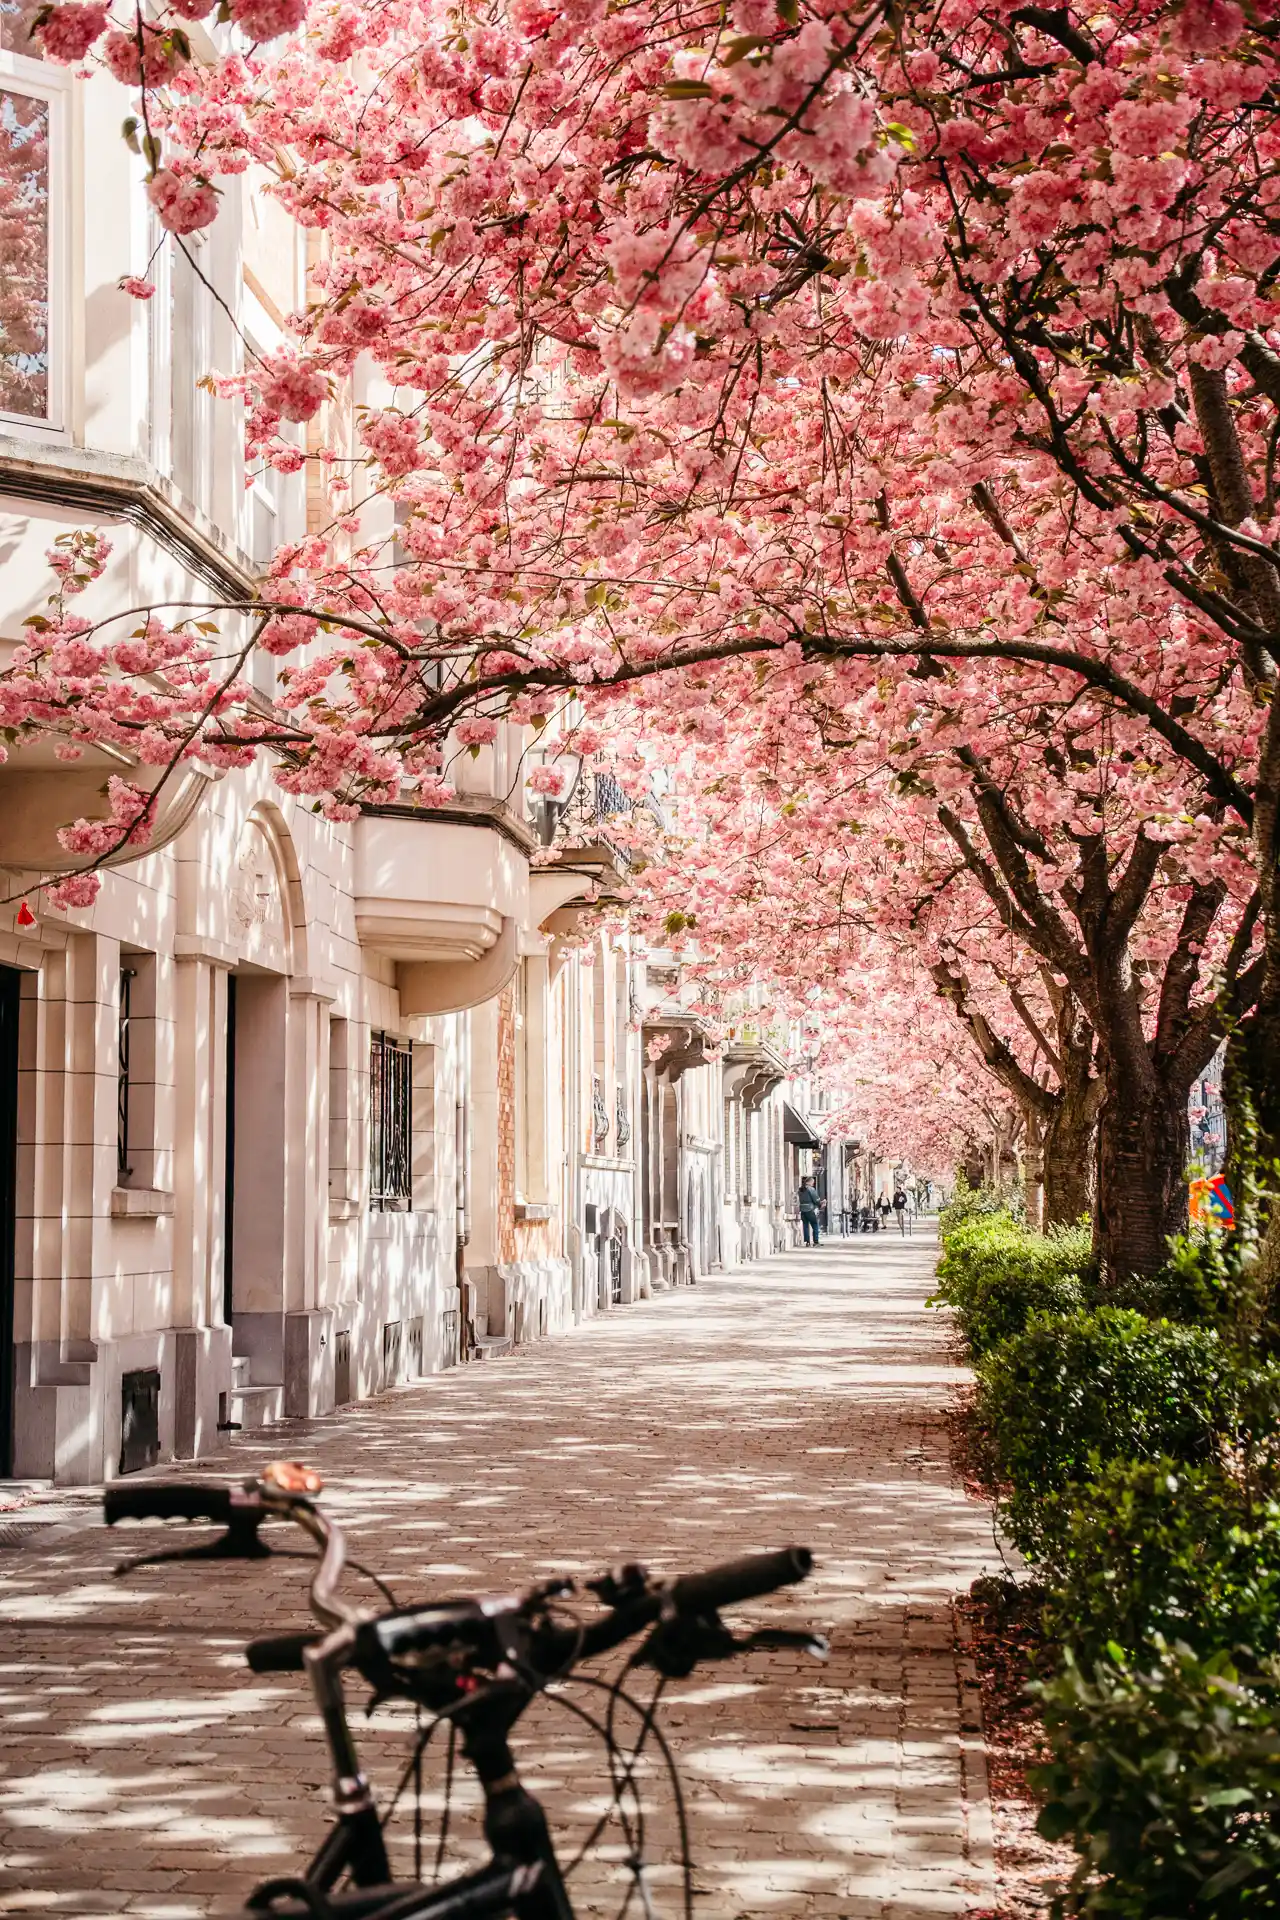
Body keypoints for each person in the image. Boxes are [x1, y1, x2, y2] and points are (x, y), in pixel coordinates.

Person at [798, 1177, 821, 1246]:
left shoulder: (800, 1190)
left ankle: (807, 1241)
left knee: (805, 1226)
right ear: (810, 1182)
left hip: (802, 1209)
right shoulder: (811, 1189)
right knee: (815, 1225)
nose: (813, 1184)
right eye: (812, 1182)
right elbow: (816, 1200)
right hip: (810, 1209)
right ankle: (816, 1241)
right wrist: (820, 1203)